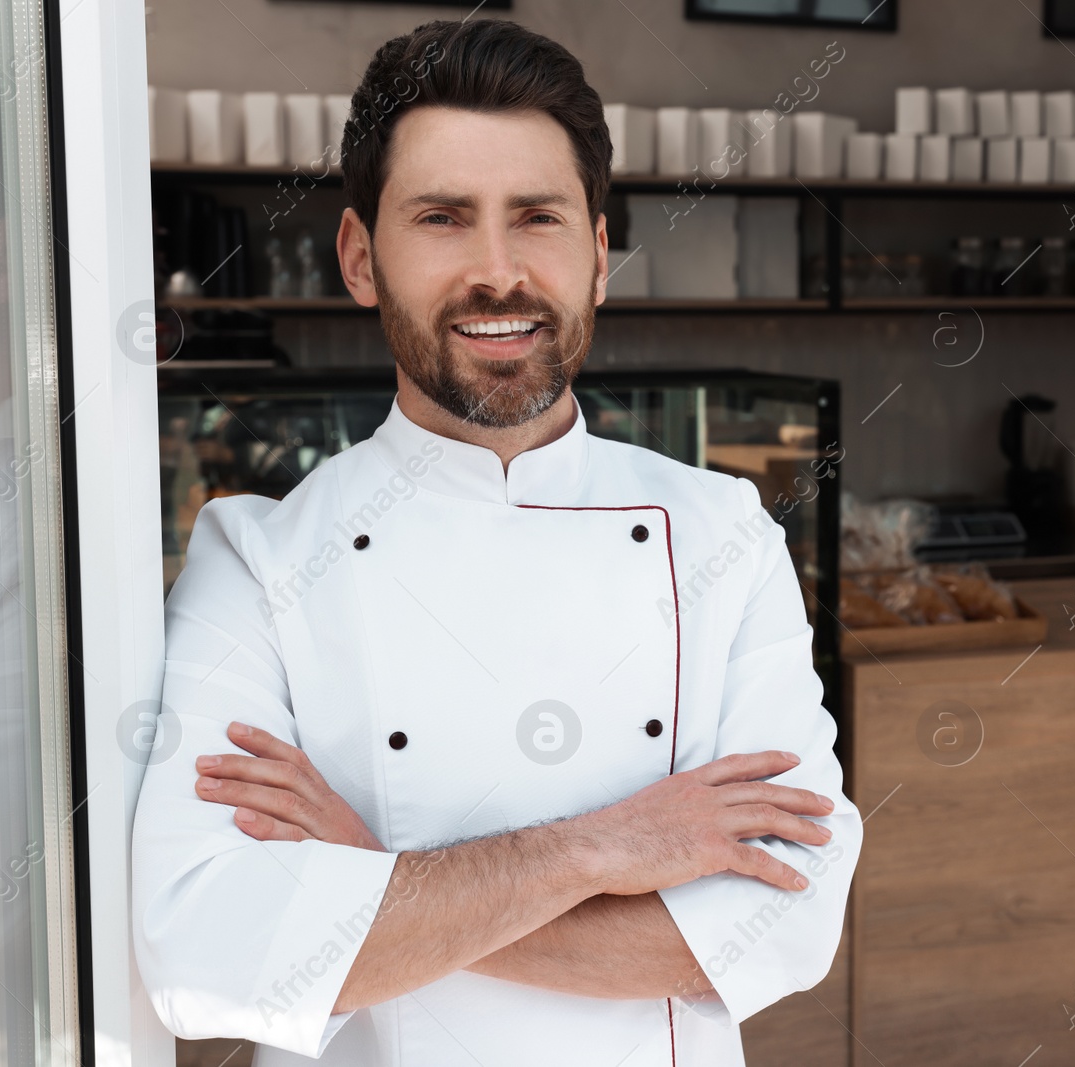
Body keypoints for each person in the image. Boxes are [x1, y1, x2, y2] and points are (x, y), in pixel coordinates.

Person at [130, 17, 860, 1066]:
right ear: (358, 256)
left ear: (597, 256)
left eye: (537, 217)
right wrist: (606, 846)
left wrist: (377, 874)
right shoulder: (257, 559)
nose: (497, 271)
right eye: (440, 217)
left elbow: (783, 922)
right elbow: (203, 948)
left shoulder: (723, 535)